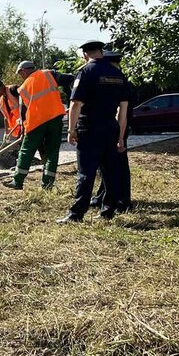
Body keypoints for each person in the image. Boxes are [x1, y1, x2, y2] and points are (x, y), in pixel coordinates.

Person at [58, 41, 132, 223]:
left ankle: (76, 214)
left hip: (89, 128)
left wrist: (71, 129)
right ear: (101, 52)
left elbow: (75, 104)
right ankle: (107, 211)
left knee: (86, 173)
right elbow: (122, 110)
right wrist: (121, 137)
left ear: (85, 55)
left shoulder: (85, 72)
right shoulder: (118, 74)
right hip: (111, 128)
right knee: (110, 172)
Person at [7, 61, 75, 191]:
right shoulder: (49, 74)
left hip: (36, 123)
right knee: (52, 153)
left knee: (26, 151)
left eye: (20, 73)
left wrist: (24, 131)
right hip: (55, 119)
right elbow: (70, 79)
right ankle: (47, 184)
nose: (20, 76)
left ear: (24, 71)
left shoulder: (23, 88)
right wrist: (71, 100)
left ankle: (17, 181)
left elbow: (23, 114)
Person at [91, 51, 135, 213]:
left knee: (118, 166)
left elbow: (120, 112)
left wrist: (120, 137)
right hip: (117, 129)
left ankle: (123, 202)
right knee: (108, 166)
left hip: (117, 129)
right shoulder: (120, 80)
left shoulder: (117, 82)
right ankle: (102, 196)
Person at [0, 80, 23, 144]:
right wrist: (6, 133)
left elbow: (26, 101)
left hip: (29, 120)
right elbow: (6, 117)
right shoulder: (2, 102)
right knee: (21, 144)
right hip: (21, 125)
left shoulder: (13, 90)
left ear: (3, 86)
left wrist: (22, 116)